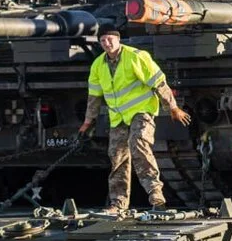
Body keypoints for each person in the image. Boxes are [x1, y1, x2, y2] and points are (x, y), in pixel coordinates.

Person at [78, 23, 191, 213]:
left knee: (138, 143)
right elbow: (94, 97)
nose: (107, 43)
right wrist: (88, 123)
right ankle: (118, 204)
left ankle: (156, 196)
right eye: (103, 40)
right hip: (118, 118)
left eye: (110, 39)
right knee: (117, 157)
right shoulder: (98, 65)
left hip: (141, 112)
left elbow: (159, 83)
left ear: (118, 39)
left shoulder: (136, 57)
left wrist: (173, 107)